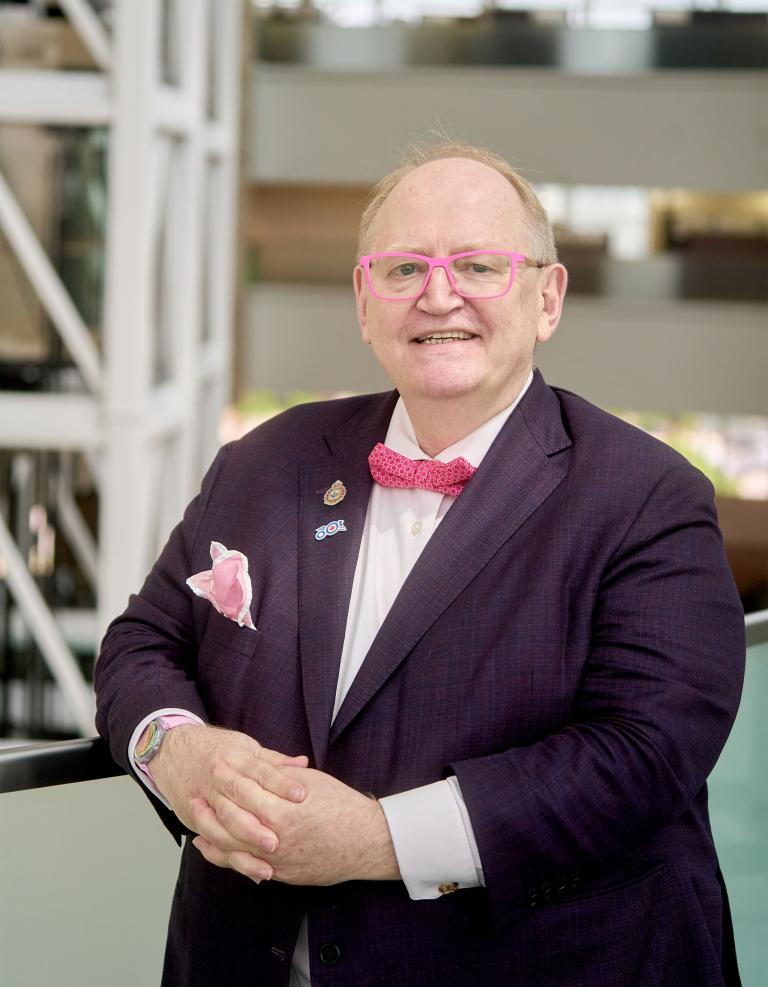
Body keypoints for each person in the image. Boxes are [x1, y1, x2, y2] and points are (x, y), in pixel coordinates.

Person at [95, 142, 745, 987]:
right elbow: (140, 644)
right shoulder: (265, 461)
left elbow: (640, 753)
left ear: (547, 298)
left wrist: (374, 838)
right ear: (364, 302)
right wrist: (174, 753)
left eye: (479, 264)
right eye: (403, 269)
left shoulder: (650, 498)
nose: (440, 294)